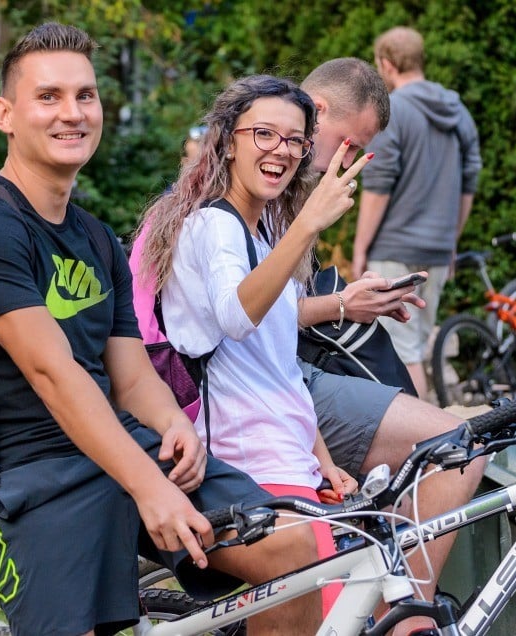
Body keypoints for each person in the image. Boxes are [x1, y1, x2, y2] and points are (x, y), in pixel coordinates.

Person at [0, 23, 324, 635]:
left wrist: (173, 424)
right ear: (5, 113)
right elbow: (53, 372)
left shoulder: (97, 239)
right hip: (25, 475)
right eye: (48, 96)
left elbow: (131, 376)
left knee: (295, 553)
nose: (72, 113)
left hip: (122, 445)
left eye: (85, 95)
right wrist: (148, 488)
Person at [137, 75, 365, 614]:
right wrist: (308, 224)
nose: (280, 150)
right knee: (323, 616)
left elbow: (279, 368)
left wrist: (322, 459)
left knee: (329, 617)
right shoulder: (214, 226)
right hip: (248, 464)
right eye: (264, 133)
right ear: (228, 141)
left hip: (289, 460)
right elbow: (238, 317)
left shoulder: (260, 234)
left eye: (294, 140)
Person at [298, 56, 485, 635]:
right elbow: (241, 316)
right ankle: (406, 619)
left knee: (430, 408)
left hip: (299, 354)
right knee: (458, 446)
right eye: (348, 143)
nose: (348, 160)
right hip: (272, 380)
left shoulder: (301, 178)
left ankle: (392, 604)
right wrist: (342, 301)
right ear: (319, 110)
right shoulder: (282, 179)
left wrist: (344, 296)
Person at [354, 27, 483, 400]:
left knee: (401, 353)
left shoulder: (395, 112)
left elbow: (378, 186)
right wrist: (452, 240)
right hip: (439, 251)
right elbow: (468, 183)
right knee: (416, 346)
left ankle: (421, 444)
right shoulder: (459, 113)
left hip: (395, 250)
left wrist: (361, 247)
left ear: (387, 64)